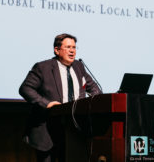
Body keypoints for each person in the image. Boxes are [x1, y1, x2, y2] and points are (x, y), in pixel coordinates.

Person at [19, 33, 102, 162]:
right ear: (57, 50)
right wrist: (46, 103)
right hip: (48, 128)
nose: (72, 51)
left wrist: (97, 100)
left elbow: (94, 89)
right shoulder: (43, 67)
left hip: (74, 130)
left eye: (74, 47)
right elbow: (25, 89)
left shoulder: (79, 67)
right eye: (68, 47)